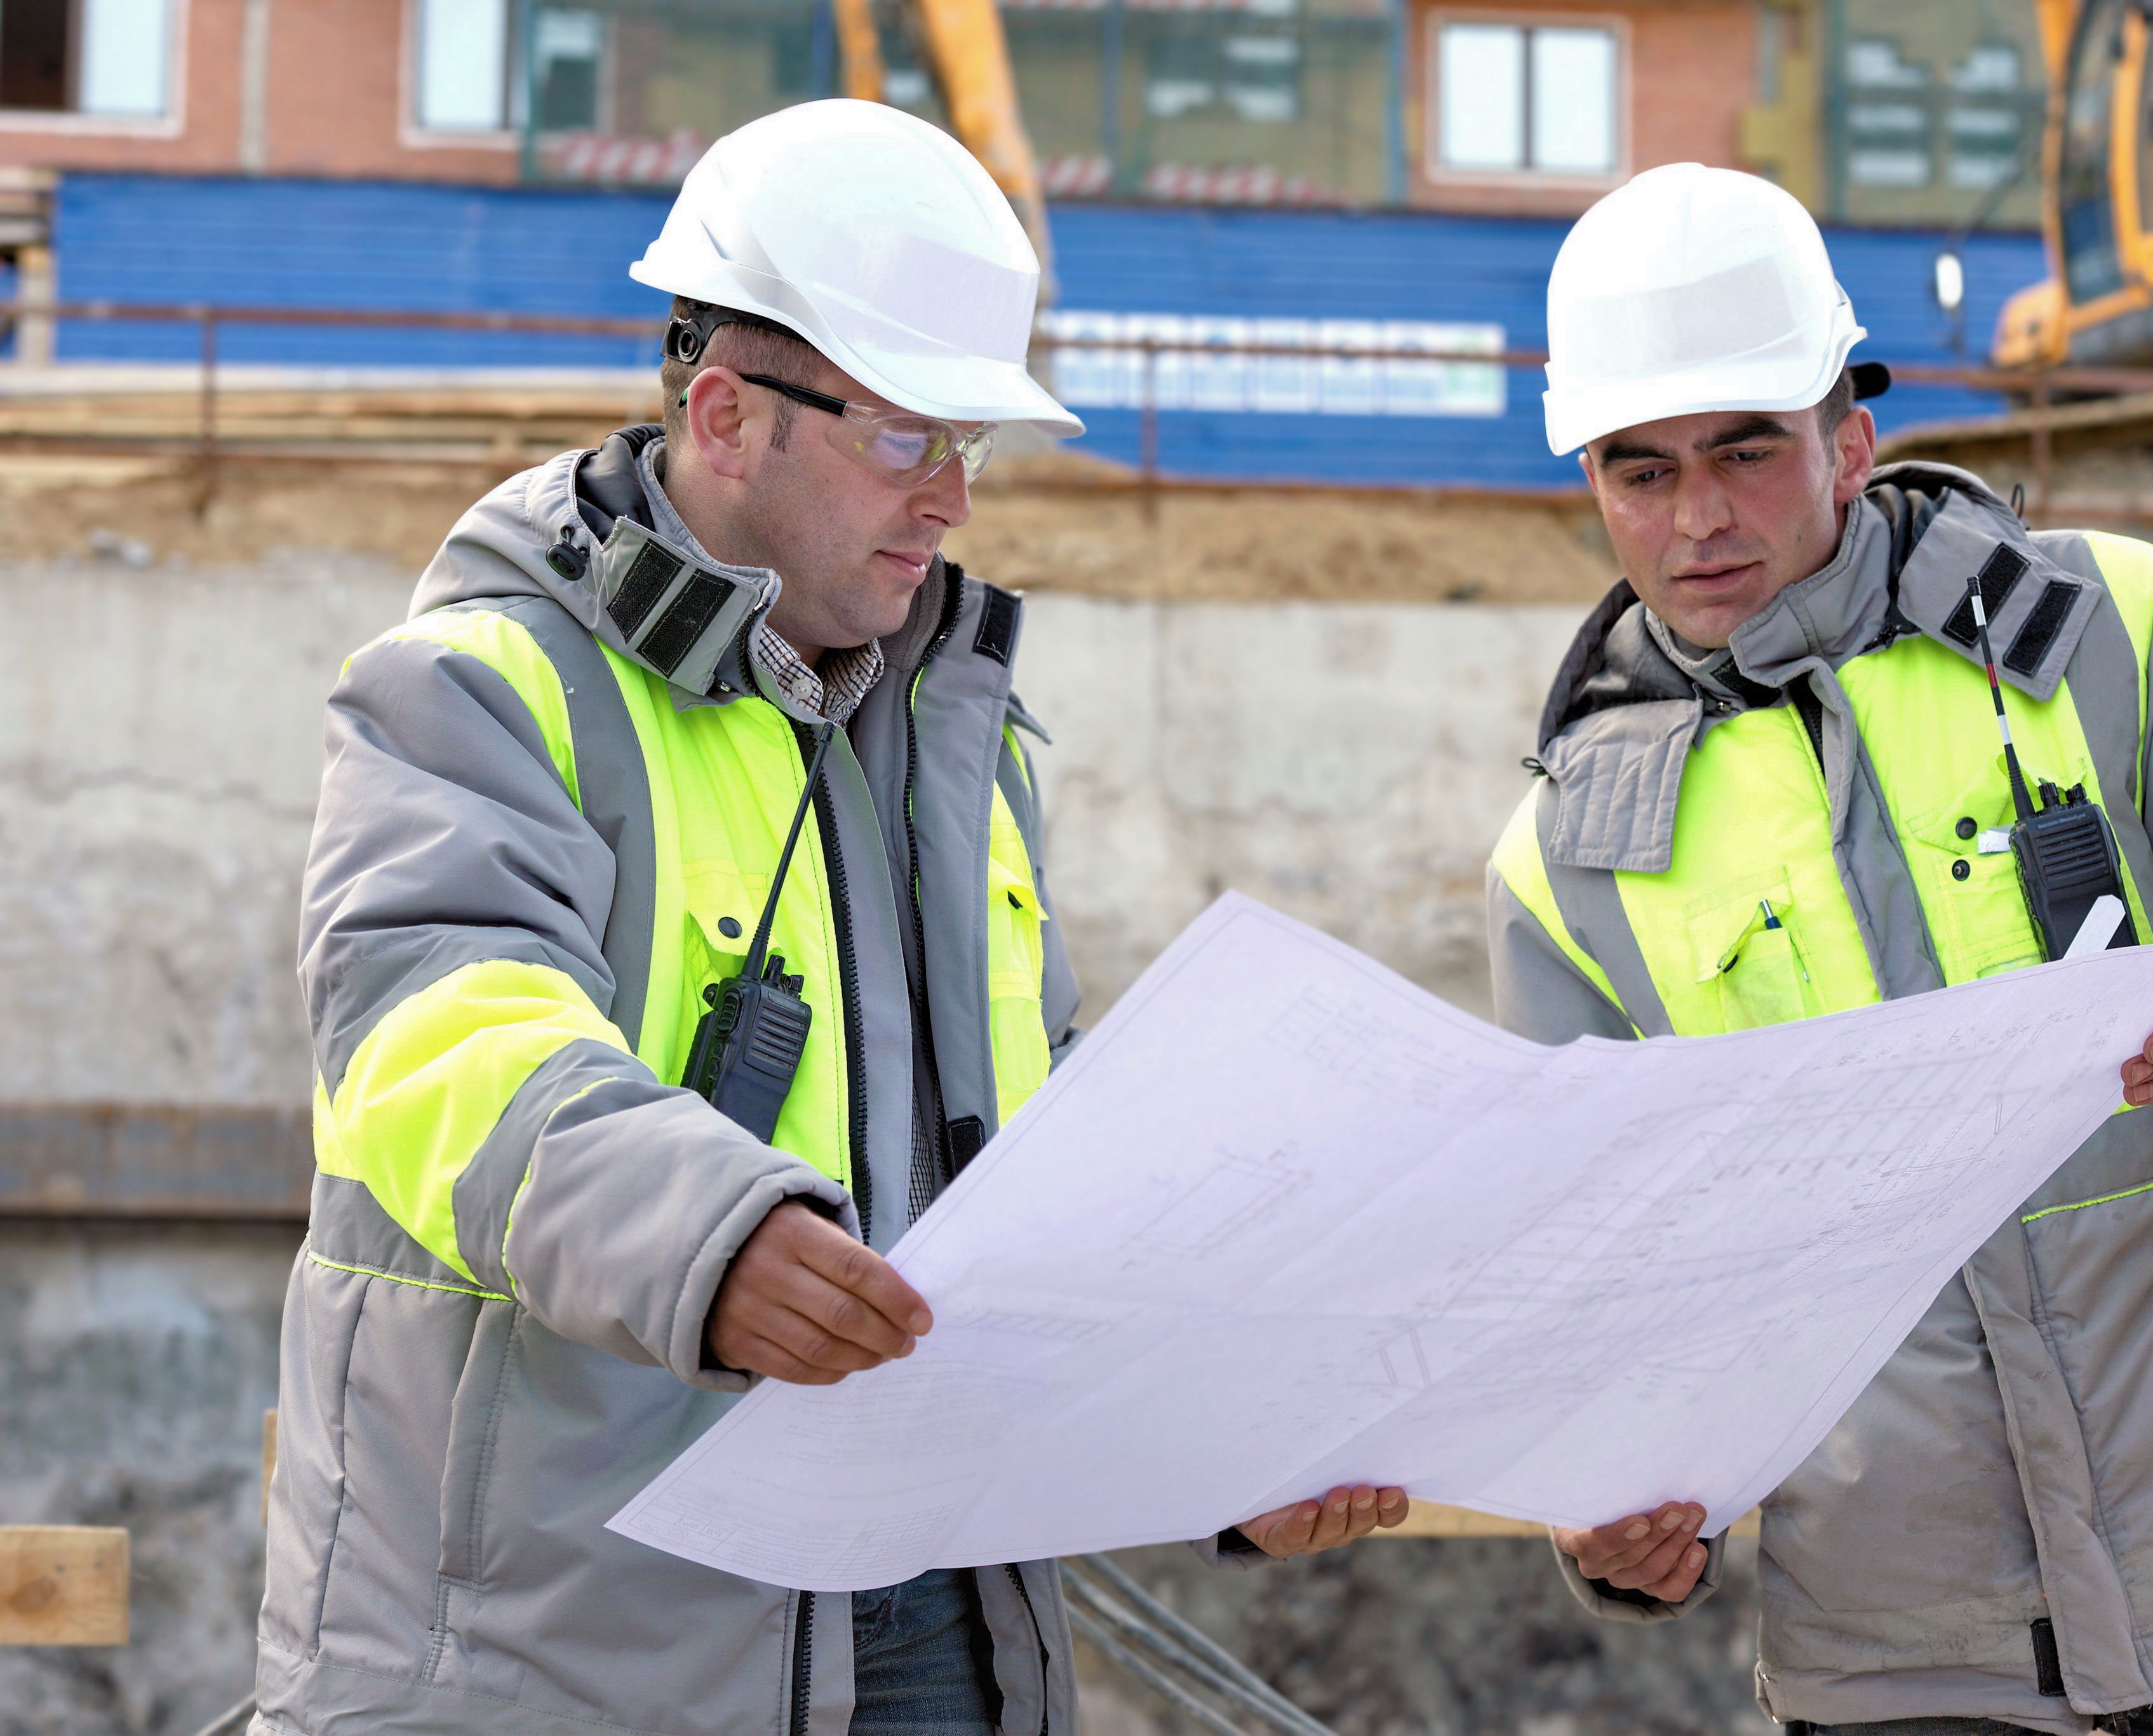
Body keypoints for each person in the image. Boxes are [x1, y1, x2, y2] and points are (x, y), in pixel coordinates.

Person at [257, 100, 1400, 1736]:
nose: (952, 499)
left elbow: (1048, 1171)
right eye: (907, 436)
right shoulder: (480, 688)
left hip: (940, 1622)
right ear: (727, 414)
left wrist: (1222, 1443)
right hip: (558, 1647)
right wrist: (710, 1238)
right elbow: (435, 1028)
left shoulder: (960, 740)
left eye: (972, 446)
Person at [1485, 164, 2153, 1736]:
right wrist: (1625, 1511)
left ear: (1849, 438)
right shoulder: (1566, 863)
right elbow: (1603, 1276)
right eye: (1641, 469)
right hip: (1903, 1640)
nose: (1700, 514)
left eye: (1746, 448)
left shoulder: (2117, 626)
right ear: (1591, 483)